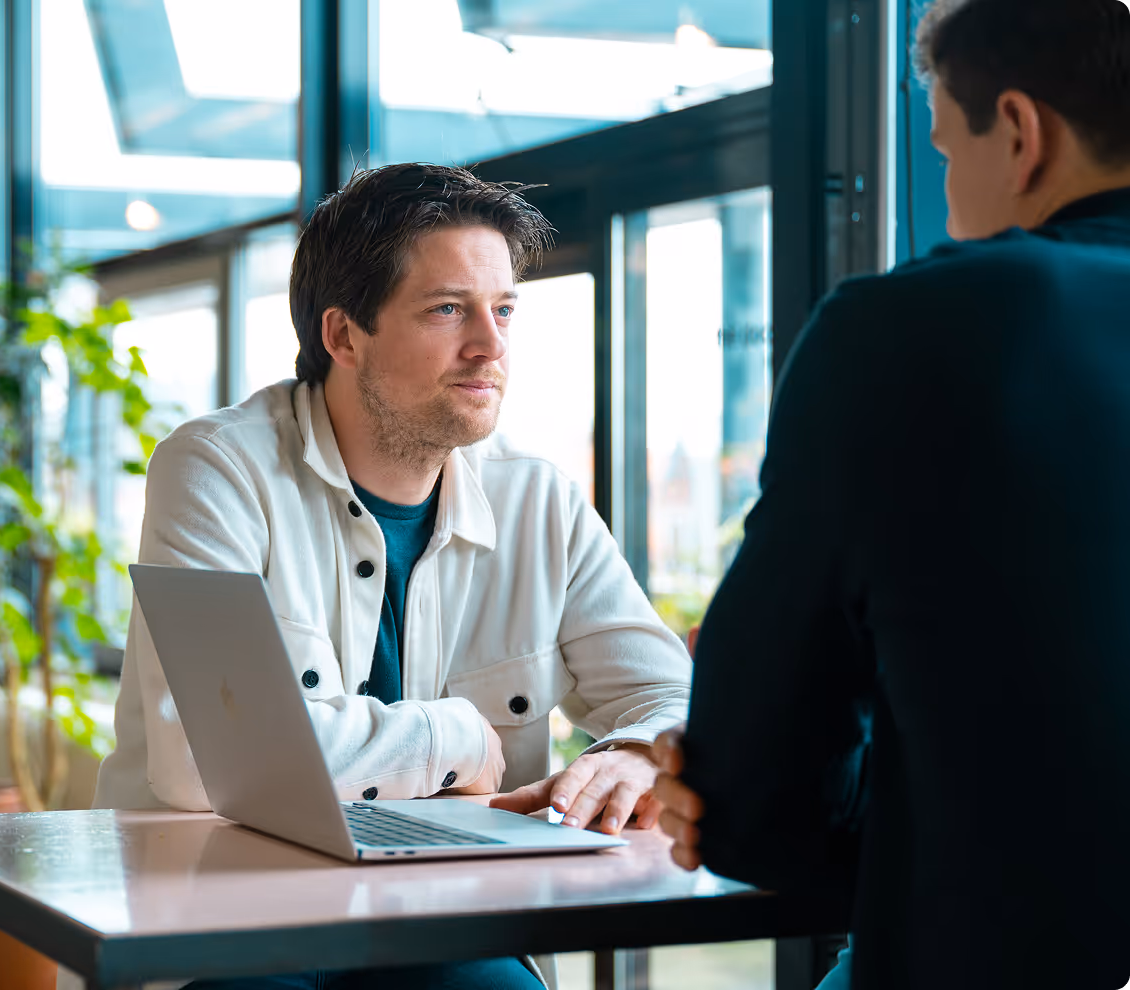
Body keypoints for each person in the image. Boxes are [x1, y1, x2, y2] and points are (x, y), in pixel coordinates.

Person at [92, 163, 693, 989]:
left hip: (446, 914)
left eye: (504, 310)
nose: (491, 345)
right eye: (449, 310)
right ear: (343, 336)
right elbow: (204, 763)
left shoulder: (538, 500)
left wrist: (634, 751)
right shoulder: (217, 468)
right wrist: (460, 738)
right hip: (228, 915)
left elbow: (675, 695)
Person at [650, 1, 1130, 987]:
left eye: (948, 155)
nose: (948, 201)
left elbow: (755, 801)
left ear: (1020, 133)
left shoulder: (914, 330)